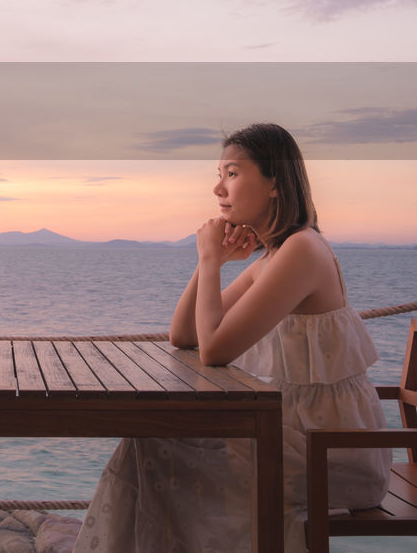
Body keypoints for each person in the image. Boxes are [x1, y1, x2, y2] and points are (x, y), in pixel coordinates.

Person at [73, 123, 391, 552]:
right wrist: (212, 261)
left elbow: (215, 350)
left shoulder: (301, 250)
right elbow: (183, 335)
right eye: (219, 174)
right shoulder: (275, 256)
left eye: (233, 174)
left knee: (155, 452)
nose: (218, 188)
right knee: (150, 442)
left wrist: (209, 259)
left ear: (275, 183)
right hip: (297, 434)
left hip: (332, 451)